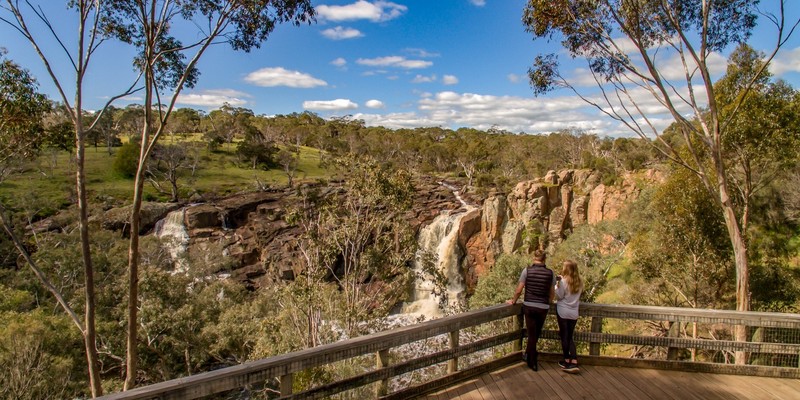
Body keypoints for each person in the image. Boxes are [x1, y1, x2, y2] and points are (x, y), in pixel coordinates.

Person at [507, 249, 555, 371]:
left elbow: (519, 290)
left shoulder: (527, 270)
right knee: (535, 333)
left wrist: (513, 301)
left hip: (529, 306)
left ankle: (532, 361)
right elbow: (552, 292)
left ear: (534, 258)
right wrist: (549, 302)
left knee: (532, 334)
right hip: (543, 307)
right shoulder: (550, 273)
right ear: (544, 259)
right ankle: (530, 356)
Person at [555, 259, 583, 373]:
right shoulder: (579, 282)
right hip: (574, 312)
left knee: (564, 336)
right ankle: (574, 360)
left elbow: (559, 296)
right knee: (570, 336)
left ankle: (567, 361)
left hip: (563, 311)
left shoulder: (563, 282)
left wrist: (556, 285)